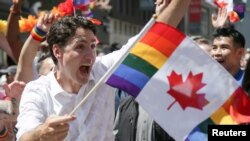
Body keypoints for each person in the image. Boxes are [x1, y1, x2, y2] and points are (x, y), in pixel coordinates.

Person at [15, 0, 191, 140]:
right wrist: (41, 134)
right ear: (57, 51)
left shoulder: (103, 70)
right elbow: (24, 136)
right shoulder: (37, 91)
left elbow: (153, 39)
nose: (90, 56)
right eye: (80, 47)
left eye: (92, 46)